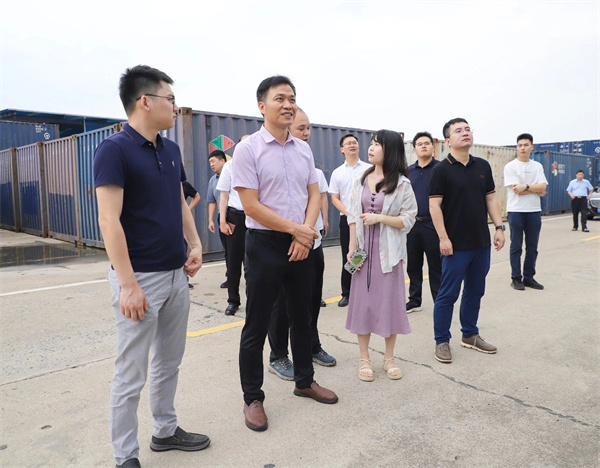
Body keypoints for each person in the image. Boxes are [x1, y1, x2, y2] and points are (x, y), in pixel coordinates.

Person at [93, 65, 209, 468]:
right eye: (170, 99)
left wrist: (195, 244)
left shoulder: (170, 150)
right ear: (145, 101)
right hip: (139, 279)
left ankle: (165, 430)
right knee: (130, 373)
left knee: (168, 362)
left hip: (176, 276)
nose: (175, 107)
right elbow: (108, 220)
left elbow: (178, 201)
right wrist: (128, 285)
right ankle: (125, 455)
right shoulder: (114, 150)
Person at [232, 75, 338, 432]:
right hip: (265, 244)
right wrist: (296, 230)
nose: (288, 104)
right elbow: (250, 205)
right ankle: (253, 398)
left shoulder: (303, 149)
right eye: (280, 98)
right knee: (257, 323)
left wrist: (304, 234)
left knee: (303, 316)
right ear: (262, 106)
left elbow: (314, 194)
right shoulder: (248, 149)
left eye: (292, 98)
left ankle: (304, 381)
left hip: (301, 242)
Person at [429, 118, 505, 364]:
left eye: (468, 129)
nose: (465, 133)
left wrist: (499, 227)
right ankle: (442, 340)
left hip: (481, 243)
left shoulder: (482, 165)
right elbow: (434, 206)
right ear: (448, 141)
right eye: (459, 131)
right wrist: (443, 238)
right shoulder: (441, 170)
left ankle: (470, 334)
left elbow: (491, 199)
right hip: (455, 245)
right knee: (448, 294)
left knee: (475, 291)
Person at [268, 108, 336, 381]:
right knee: (281, 305)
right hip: (285, 244)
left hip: (312, 243)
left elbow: (317, 200)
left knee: (310, 301)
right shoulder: (274, 164)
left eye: (309, 129)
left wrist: (310, 233)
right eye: (301, 128)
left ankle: (311, 346)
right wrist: (297, 234)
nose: (306, 134)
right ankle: (278, 355)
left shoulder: (313, 168)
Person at [346, 130, 417, 382]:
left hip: (389, 255)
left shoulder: (403, 184)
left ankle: (389, 358)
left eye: (378, 144)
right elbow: (353, 215)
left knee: (389, 304)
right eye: (372, 143)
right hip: (363, 253)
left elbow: (408, 219)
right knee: (363, 305)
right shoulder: (360, 180)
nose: (371, 148)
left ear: (391, 151)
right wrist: (352, 247)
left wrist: (381, 218)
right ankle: (364, 358)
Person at [329, 134, 371, 307]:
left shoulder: (369, 169)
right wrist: (349, 213)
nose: (352, 145)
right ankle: (347, 293)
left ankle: (366, 290)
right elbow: (334, 198)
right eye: (348, 143)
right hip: (347, 219)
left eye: (354, 142)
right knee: (350, 254)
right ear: (342, 149)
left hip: (368, 219)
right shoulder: (338, 172)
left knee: (368, 253)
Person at [503, 133, 548, 291]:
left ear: (531, 147)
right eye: (520, 145)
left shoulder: (537, 166)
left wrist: (526, 187)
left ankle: (529, 277)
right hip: (516, 211)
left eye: (526, 145)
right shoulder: (510, 167)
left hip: (534, 211)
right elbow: (517, 191)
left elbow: (543, 188)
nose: (522, 148)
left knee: (532, 247)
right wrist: (535, 189)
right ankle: (516, 278)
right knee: (516, 246)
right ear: (517, 147)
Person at [406, 131, 441, 313]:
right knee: (413, 265)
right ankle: (414, 300)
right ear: (414, 149)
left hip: (433, 224)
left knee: (436, 266)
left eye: (427, 143)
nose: (423, 146)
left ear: (433, 147)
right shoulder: (408, 172)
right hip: (412, 225)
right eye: (420, 144)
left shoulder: (441, 169)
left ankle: (439, 302)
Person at [216, 142, 247, 316]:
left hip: (256, 218)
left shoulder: (258, 164)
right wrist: (222, 220)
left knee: (254, 263)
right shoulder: (230, 166)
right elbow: (224, 194)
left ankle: (256, 301)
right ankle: (233, 301)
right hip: (235, 217)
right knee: (234, 262)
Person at [207, 150, 228, 289]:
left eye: (213, 161)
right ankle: (230, 276)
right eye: (210, 162)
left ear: (222, 161)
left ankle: (249, 275)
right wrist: (210, 220)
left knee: (244, 250)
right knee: (228, 250)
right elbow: (212, 201)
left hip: (235, 215)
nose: (211, 165)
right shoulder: (212, 180)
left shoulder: (234, 174)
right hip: (222, 217)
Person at [183, 180, 201, 289]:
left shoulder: (184, 184)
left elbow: (197, 196)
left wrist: (188, 209)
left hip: (181, 221)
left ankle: (184, 280)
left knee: (183, 248)